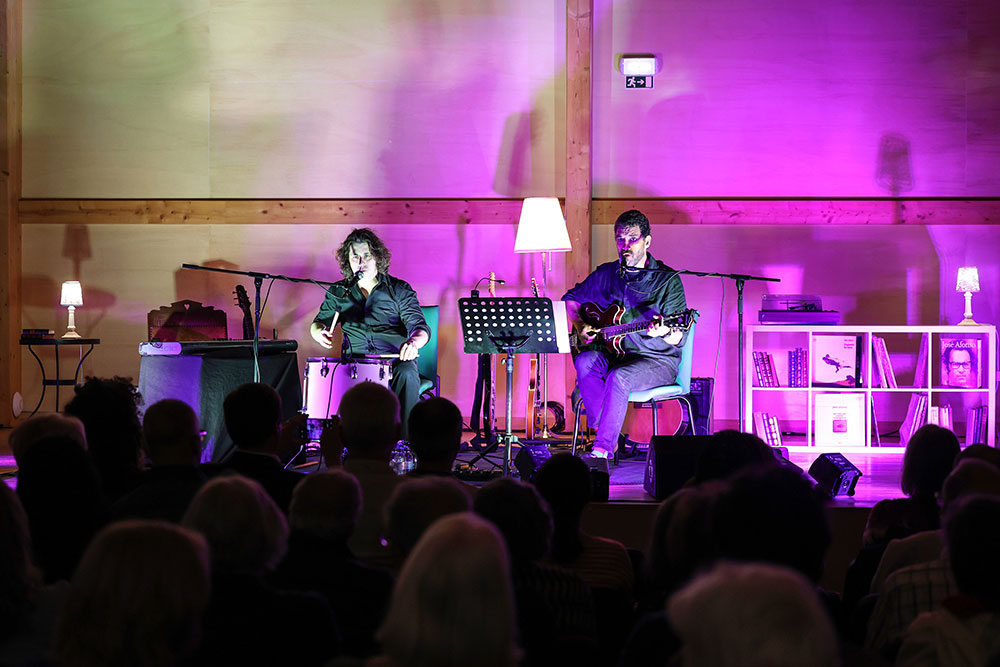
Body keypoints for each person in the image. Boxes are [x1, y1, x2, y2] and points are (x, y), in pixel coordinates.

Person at [562, 209, 688, 458]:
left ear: (647, 241)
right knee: (585, 360)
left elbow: (679, 337)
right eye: (620, 239)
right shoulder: (605, 274)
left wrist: (663, 331)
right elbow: (570, 300)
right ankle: (604, 431)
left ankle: (602, 450)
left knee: (619, 377)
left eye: (632, 239)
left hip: (656, 361)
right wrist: (579, 324)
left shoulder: (667, 280)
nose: (625, 246)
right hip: (615, 356)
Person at [310, 227, 429, 435]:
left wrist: (413, 343)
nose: (361, 262)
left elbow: (420, 328)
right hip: (354, 362)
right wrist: (319, 333)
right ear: (347, 261)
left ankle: (403, 442)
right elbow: (318, 323)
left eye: (366, 255)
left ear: (377, 257)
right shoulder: (339, 291)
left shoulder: (399, 290)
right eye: (355, 257)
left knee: (407, 373)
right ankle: (339, 442)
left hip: (394, 362)